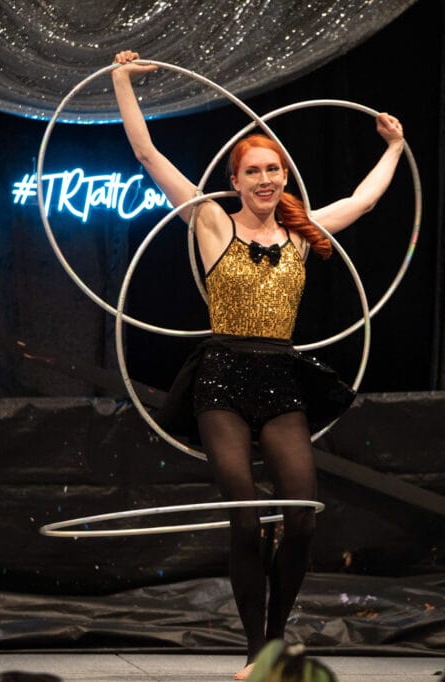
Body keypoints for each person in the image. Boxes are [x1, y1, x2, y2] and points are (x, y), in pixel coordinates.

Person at [111, 50, 405, 680]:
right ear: (236, 180)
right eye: (254, 171)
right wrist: (120, 82)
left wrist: (395, 148)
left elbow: (363, 201)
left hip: (280, 378)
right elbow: (147, 155)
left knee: (300, 521)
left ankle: (276, 644)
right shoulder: (211, 222)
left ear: (284, 176)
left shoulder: (302, 232)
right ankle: (254, 655)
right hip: (221, 377)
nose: (266, 180)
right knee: (245, 520)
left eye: (274, 169)